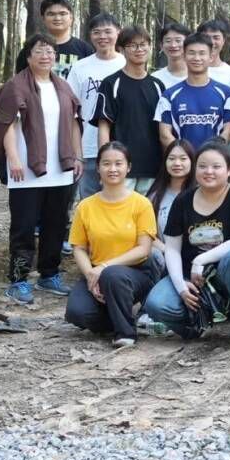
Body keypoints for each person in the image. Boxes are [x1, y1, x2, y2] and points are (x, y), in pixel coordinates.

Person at [0, 33, 83, 304]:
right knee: (24, 226)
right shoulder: (15, 86)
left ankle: (49, 274)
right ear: (28, 57)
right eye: (39, 51)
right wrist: (14, 159)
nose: (46, 56)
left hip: (60, 169)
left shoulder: (63, 86)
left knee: (56, 224)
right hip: (26, 172)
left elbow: (74, 123)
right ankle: (18, 280)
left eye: (50, 51)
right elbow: (7, 124)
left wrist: (77, 157)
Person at [142, 141, 230, 345]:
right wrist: (181, 287)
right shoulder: (182, 200)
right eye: (202, 166)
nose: (209, 171)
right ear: (195, 168)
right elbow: (172, 249)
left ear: (228, 170)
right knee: (156, 304)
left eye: (216, 166)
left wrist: (201, 259)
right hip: (191, 278)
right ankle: (194, 325)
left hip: (225, 273)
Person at [64, 143, 159, 347]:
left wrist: (104, 267)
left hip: (136, 273)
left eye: (118, 163)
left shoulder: (141, 204)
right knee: (77, 313)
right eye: (106, 164)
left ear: (128, 167)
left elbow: (143, 249)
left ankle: (126, 333)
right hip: (96, 271)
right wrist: (90, 275)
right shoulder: (86, 206)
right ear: (98, 168)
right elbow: (79, 248)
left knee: (112, 275)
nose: (112, 169)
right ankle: (118, 314)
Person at [95, 26, 165, 194]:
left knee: (148, 210)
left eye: (143, 44)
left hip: (152, 167)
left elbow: (164, 129)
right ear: (121, 49)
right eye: (132, 45)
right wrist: (106, 164)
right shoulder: (111, 83)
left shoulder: (157, 86)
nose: (139, 49)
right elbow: (104, 126)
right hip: (120, 167)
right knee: (117, 210)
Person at [66, 13, 125, 200]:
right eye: (97, 32)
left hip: (122, 149)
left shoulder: (127, 64)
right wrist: (77, 154)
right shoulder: (80, 67)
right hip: (88, 149)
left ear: (118, 32)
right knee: (90, 202)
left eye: (108, 31)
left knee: (120, 202)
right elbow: (72, 113)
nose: (102, 37)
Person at [155, 33, 230, 148]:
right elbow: (165, 135)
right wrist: (183, 155)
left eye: (202, 53)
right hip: (182, 158)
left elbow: (229, 131)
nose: (197, 58)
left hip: (214, 157)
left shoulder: (226, 93)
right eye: (191, 53)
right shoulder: (169, 95)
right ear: (184, 56)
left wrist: (210, 155)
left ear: (211, 57)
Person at [14, 0, 94, 78]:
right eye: (51, 14)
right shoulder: (29, 50)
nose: (57, 18)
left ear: (71, 17)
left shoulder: (85, 50)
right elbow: (20, 81)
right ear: (43, 18)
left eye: (62, 14)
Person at [147, 139, 195, 247]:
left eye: (183, 159)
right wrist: (168, 251)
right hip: (162, 252)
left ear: (192, 161)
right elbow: (147, 234)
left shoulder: (202, 193)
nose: (177, 163)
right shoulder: (154, 197)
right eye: (172, 158)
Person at [151, 22, 191, 89]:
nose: (173, 45)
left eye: (178, 40)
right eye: (168, 41)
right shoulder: (155, 79)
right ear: (161, 46)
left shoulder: (202, 75)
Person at [197, 19, 230, 85]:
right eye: (206, 37)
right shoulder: (188, 71)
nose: (211, 42)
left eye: (216, 38)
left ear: (223, 41)